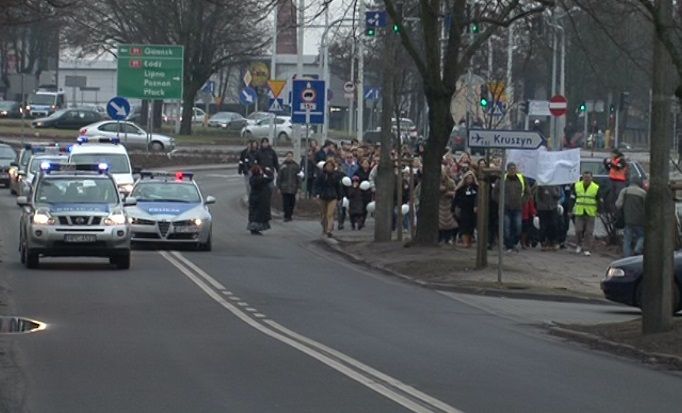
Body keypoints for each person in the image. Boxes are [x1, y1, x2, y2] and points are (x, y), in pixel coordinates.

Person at [497, 162, 528, 252]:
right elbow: (495, 192)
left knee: (518, 227)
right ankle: (509, 245)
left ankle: (513, 242)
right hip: (505, 207)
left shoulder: (521, 179)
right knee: (506, 227)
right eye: (510, 169)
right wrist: (501, 201)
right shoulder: (502, 179)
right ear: (507, 170)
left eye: (514, 169)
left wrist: (522, 201)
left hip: (517, 207)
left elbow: (527, 192)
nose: (512, 170)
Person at [570, 171, 602, 256]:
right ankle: (579, 245)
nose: (586, 179)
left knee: (589, 232)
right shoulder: (577, 185)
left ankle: (586, 248)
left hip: (590, 212)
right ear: (582, 177)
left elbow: (599, 200)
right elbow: (572, 198)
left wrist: (599, 211)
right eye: (585, 177)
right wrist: (570, 210)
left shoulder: (596, 187)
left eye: (588, 177)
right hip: (579, 211)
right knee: (578, 230)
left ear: (591, 178)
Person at [615, 175, 646, 257]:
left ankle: (627, 258)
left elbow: (618, 204)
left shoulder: (625, 191)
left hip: (627, 219)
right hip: (640, 220)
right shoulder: (643, 193)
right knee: (642, 236)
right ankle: (637, 249)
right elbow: (647, 207)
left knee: (627, 240)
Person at [314, 160, 342, 237]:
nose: (329, 168)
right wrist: (316, 194)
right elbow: (316, 185)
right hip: (323, 196)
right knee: (323, 214)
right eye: (327, 166)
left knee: (330, 214)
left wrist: (339, 197)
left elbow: (338, 187)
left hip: (332, 196)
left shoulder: (336, 176)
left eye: (331, 166)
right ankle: (324, 228)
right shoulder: (321, 175)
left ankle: (329, 230)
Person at [453, 171, 478, 248]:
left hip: (473, 210)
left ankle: (470, 241)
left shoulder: (477, 188)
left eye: (471, 178)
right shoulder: (461, 189)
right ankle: (465, 242)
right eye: (468, 178)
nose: (469, 180)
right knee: (464, 226)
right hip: (464, 209)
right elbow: (456, 199)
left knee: (471, 226)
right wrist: (455, 208)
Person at [247, 165, 274, 235]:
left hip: (254, 199)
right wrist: (267, 170)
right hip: (260, 200)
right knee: (258, 216)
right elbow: (270, 178)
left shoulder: (252, 179)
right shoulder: (261, 179)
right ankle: (256, 229)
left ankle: (253, 228)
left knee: (253, 214)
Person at [535, 184, 562, 251]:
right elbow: (537, 197)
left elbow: (558, 195)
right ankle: (543, 242)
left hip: (553, 208)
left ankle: (552, 241)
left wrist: (553, 191)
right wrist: (540, 206)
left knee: (553, 224)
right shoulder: (540, 185)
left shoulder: (556, 185)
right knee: (543, 226)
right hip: (542, 209)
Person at [277, 151, 300, 222]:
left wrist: (299, 187)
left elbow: (299, 177)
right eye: (288, 156)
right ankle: (286, 215)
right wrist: (278, 187)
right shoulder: (283, 166)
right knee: (286, 202)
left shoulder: (296, 166)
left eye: (290, 156)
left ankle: (290, 215)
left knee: (292, 202)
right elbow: (279, 177)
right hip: (285, 187)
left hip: (293, 187)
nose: (289, 157)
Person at [438, 171, 458, 244]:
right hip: (439, 203)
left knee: (450, 222)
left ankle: (448, 237)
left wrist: (450, 193)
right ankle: (440, 238)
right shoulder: (436, 182)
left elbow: (455, 192)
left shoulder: (451, 182)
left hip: (449, 203)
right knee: (440, 222)